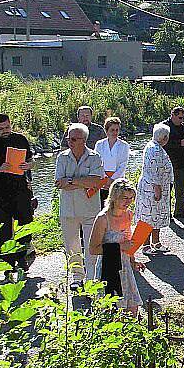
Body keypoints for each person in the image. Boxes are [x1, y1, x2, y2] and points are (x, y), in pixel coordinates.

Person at [0, 113, 35, 275]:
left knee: (26, 224)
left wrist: (28, 165)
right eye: (1, 128)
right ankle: (8, 264)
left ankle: (22, 257)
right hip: (1, 192)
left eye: (7, 127)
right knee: (3, 228)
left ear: (11, 124)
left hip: (21, 189)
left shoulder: (21, 139)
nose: (5, 130)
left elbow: (32, 162)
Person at [55, 123, 105, 290]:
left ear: (83, 140)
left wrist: (71, 180)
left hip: (90, 210)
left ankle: (91, 279)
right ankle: (77, 277)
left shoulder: (95, 157)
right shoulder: (62, 157)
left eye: (74, 139)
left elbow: (96, 181)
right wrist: (82, 181)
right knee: (72, 245)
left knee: (92, 245)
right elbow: (60, 183)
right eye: (68, 138)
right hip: (68, 210)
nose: (70, 141)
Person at [89, 178, 144, 315]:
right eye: (124, 198)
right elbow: (93, 249)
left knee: (132, 310)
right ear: (114, 197)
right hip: (109, 267)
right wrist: (120, 247)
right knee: (113, 312)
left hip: (125, 266)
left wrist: (133, 261)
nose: (128, 202)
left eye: (131, 198)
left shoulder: (129, 215)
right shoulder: (103, 218)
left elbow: (128, 242)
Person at [135, 123, 174, 252]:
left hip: (157, 186)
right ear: (164, 137)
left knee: (156, 215)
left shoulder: (153, 146)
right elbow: (154, 171)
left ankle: (156, 242)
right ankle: (146, 245)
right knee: (149, 216)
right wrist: (157, 189)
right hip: (153, 188)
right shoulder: (155, 149)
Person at [164, 106, 184, 220]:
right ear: (172, 115)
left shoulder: (183, 127)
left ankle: (179, 212)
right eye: (180, 118)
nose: (181, 120)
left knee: (182, 189)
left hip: (182, 163)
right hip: (168, 163)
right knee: (167, 190)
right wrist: (179, 143)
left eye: (183, 118)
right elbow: (162, 143)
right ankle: (167, 214)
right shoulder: (164, 127)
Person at [94, 116, 130, 206]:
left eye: (117, 130)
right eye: (112, 130)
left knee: (115, 206)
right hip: (102, 180)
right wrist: (106, 179)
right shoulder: (99, 144)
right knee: (101, 206)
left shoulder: (124, 145)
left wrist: (113, 180)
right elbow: (97, 163)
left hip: (118, 180)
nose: (115, 132)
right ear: (106, 131)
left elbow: (123, 165)